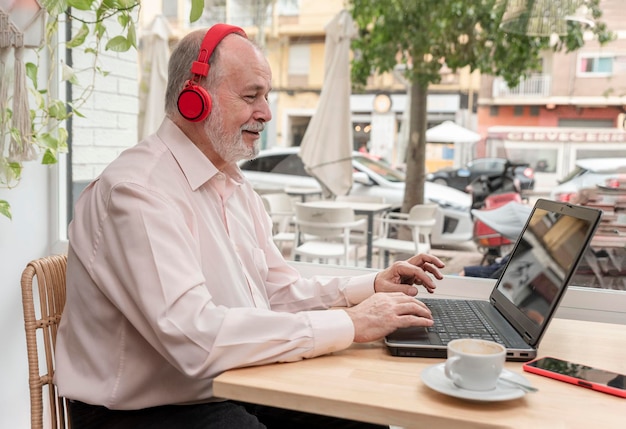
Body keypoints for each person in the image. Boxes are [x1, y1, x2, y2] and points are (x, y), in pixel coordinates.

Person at [54, 24, 445, 429]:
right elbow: (196, 339)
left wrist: (370, 288)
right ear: (194, 98)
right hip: (142, 410)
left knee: (361, 415)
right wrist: (351, 323)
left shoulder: (233, 185)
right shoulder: (137, 191)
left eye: (267, 96)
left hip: (228, 383)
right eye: (251, 96)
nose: (267, 112)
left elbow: (274, 293)